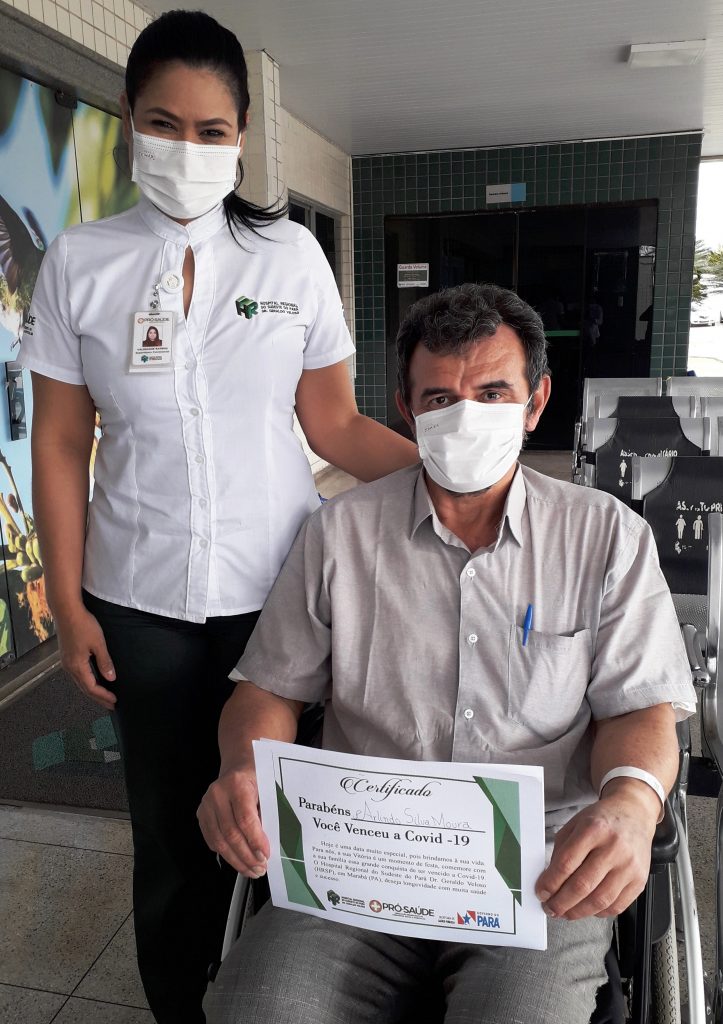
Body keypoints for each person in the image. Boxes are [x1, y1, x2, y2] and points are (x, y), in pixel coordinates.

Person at [19, 11, 417, 1023]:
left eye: (211, 130)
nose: (187, 149)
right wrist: (67, 602)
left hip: (281, 598)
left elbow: (332, 424)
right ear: (127, 120)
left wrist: (459, 481)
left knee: (278, 816)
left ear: (242, 134)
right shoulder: (81, 262)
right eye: (164, 123)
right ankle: (179, 1003)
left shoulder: (288, 259)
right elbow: (61, 442)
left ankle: (283, 992)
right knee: (168, 830)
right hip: (138, 598)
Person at [198, 283, 696, 1024]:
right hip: (361, 859)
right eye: (439, 398)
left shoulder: (605, 538)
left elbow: (639, 709)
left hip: (539, 869)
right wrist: (241, 768)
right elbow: (268, 691)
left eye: (493, 392)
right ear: (405, 408)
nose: (465, 416)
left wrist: (629, 804)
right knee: (256, 1008)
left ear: (534, 403)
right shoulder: (339, 534)